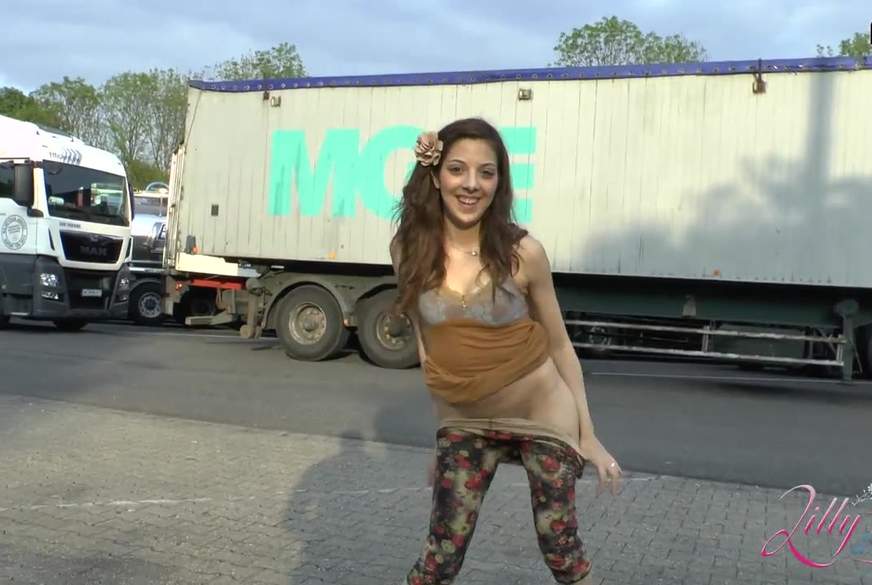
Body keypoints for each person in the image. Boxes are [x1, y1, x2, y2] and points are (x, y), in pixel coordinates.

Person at [390, 118, 622, 585]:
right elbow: (430, 350)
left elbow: (560, 345)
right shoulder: (407, 251)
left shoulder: (523, 254)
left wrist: (588, 433)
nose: (471, 184)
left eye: (486, 172)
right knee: (437, 561)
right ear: (435, 176)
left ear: (500, 183)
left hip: (544, 416)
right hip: (465, 422)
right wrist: (442, 436)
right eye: (457, 169)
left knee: (561, 551)